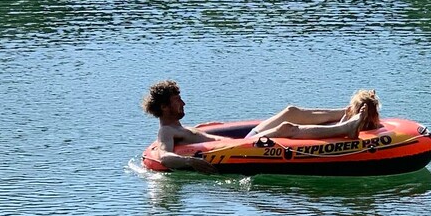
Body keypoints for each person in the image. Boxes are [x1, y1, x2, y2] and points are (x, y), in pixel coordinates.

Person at [142, 80, 381, 170]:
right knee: (286, 127)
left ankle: (348, 112)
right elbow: (163, 156)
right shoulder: (166, 130)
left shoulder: (179, 127)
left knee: (291, 111)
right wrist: (191, 162)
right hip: (244, 146)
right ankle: (345, 128)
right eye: (177, 101)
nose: (183, 103)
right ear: (164, 107)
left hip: (243, 139)